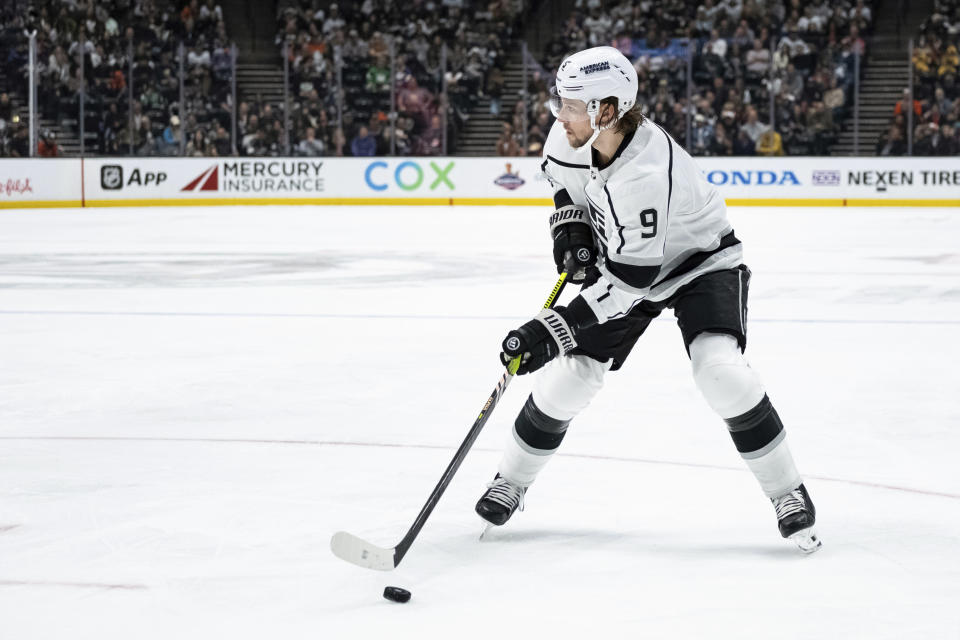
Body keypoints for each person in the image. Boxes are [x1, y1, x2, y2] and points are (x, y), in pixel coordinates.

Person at [475, 46, 821, 553]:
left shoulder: (644, 171)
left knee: (718, 369)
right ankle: (511, 479)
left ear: (607, 111)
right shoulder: (571, 134)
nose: (558, 114)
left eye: (571, 105)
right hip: (629, 263)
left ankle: (787, 491)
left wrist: (553, 330)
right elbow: (567, 189)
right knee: (573, 377)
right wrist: (570, 232)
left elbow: (630, 285)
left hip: (699, 263)